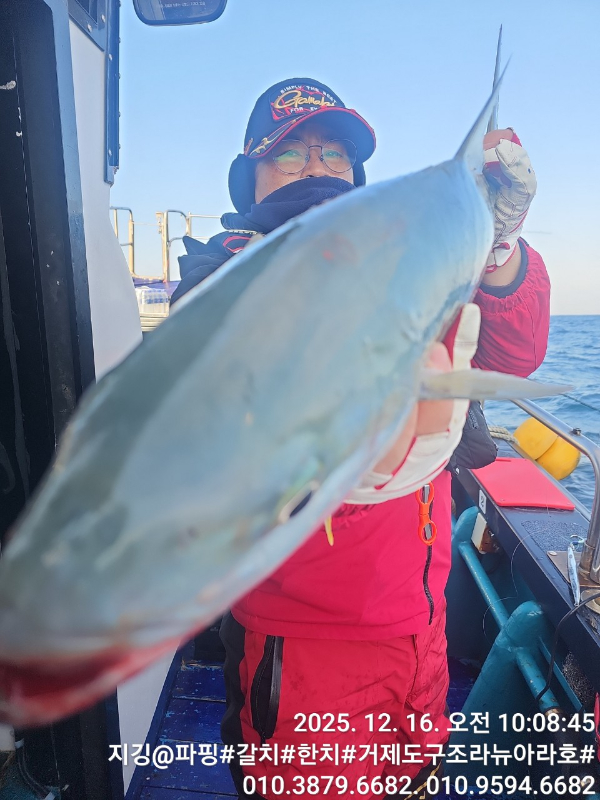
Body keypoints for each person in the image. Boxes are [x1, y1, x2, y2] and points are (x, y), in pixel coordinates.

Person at [171, 79, 550, 799]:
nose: (316, 167)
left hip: (420, 623)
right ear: (249, 176)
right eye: (291, 154)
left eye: (335, 154)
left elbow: (514, 353)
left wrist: (493, 242)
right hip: (307, 641)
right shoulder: (225, 267)